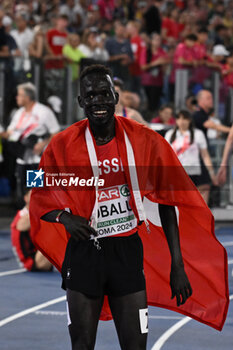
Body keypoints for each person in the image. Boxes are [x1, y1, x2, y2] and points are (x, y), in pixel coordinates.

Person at [30, 64, 229, 350]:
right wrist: (64, 218)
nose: (98, 101)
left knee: (135, 346)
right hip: (85, 253)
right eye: (90, 95)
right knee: (82, 345)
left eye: (104, 93)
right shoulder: (61, 145)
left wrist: (177, 265)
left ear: (116, 96)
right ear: (80, 102)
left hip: (127, 253)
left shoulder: (145, 140)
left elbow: (168, 201)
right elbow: (37, 187)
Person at [2, 82, 60, 206]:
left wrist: (43, 143)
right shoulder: (19, 113)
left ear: (27, 97)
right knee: (22, 190)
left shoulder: (43, 112)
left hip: (36, 159)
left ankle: (36, 216)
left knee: (36, 191)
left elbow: (55, 132)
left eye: (19, 95)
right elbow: (10, 133)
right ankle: (26, 215)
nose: (16, 97)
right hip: (21, 157)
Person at [165, 110, 217, 203]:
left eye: (185, 118)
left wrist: (212, 173)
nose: (182, 121)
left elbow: (205, 155)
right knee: (180, 202)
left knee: (197, 201)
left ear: (189, 120)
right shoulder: (170, 134)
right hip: (177, 173)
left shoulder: (198, 134)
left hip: (194, 172)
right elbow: (166, 156)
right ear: (176, 120)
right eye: (179, 118)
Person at [11, 189, 53, 271]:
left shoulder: (33, 214)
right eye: (33, 194)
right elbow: (21, 226)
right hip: (30, 261)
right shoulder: (22, 217)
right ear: (26, 198)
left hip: (37, 254)